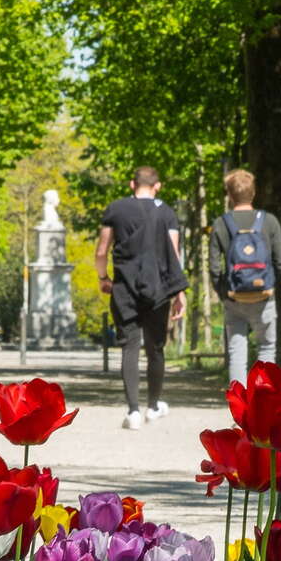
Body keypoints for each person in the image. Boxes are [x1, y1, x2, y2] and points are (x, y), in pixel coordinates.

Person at [95, 165, 185, 430]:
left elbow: (102, 250)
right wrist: (179, 292)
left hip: (124, 287)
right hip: (158, 288)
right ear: (157, 186)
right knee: (155, 348)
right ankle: (153, 406)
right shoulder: (166, 212)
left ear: (131, 185)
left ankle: (133, 411)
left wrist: (104, 278)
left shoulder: (116, 209)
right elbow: (174, 254)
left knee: (130, 346)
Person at [207, 168, 281, 384]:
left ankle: (240, 410)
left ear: (229, 195)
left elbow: (213, 266)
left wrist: (223, 293)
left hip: (234, 297)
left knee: (236, 353)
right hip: (264, 296)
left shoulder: (220, 223)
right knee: (266, 349)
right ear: (253, 193)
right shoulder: (269, 222)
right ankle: (264, 408)